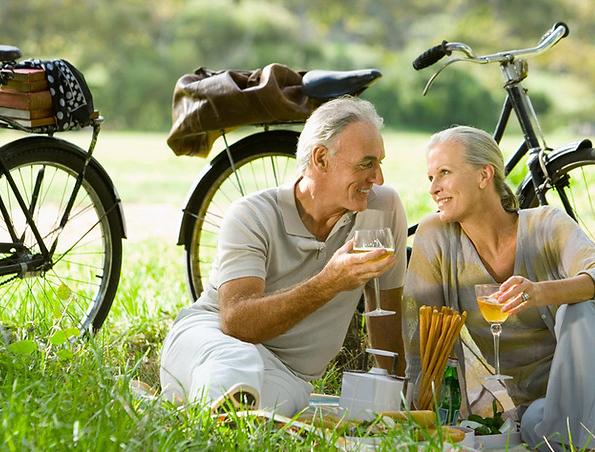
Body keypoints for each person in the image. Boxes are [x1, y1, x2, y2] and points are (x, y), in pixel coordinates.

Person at [402, 125, 595, 451]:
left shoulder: (546, 224)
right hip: (554, 399)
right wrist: (418, 412)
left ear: (484, 175)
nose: (434, 189)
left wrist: (541, 292)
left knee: (578, 307)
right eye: (430, 178)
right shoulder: (436, 237)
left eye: (444, 173)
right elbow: (418, 337)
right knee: (541, 428)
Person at [158, 96, 408, 416]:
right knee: (237, 363)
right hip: (211, 340)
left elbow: (386, 312)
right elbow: (236, 324)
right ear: (321, 159)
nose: (378, 178)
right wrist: (329, 282)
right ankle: (206, 412)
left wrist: (401, 396)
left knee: (264, 412)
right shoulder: (252, 215)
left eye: (379, 163)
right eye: (366, 163)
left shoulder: (382, 208)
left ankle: (191, 411)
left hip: (289, 374)